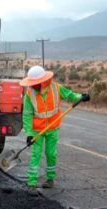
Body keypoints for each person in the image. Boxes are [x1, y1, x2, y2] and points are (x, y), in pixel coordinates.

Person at [20, 66, 90, 196]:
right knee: (36, 155)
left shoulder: (56, 88)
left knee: (51, 154)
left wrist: (81, 97)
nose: (33, 86)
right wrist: (29, 133)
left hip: (52, 128)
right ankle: (31, 183)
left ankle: (50, 179)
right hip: (37, 130)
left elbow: (70, 95)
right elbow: (27, 115)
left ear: (43, 81)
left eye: (35, 83)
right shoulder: (29, 94)